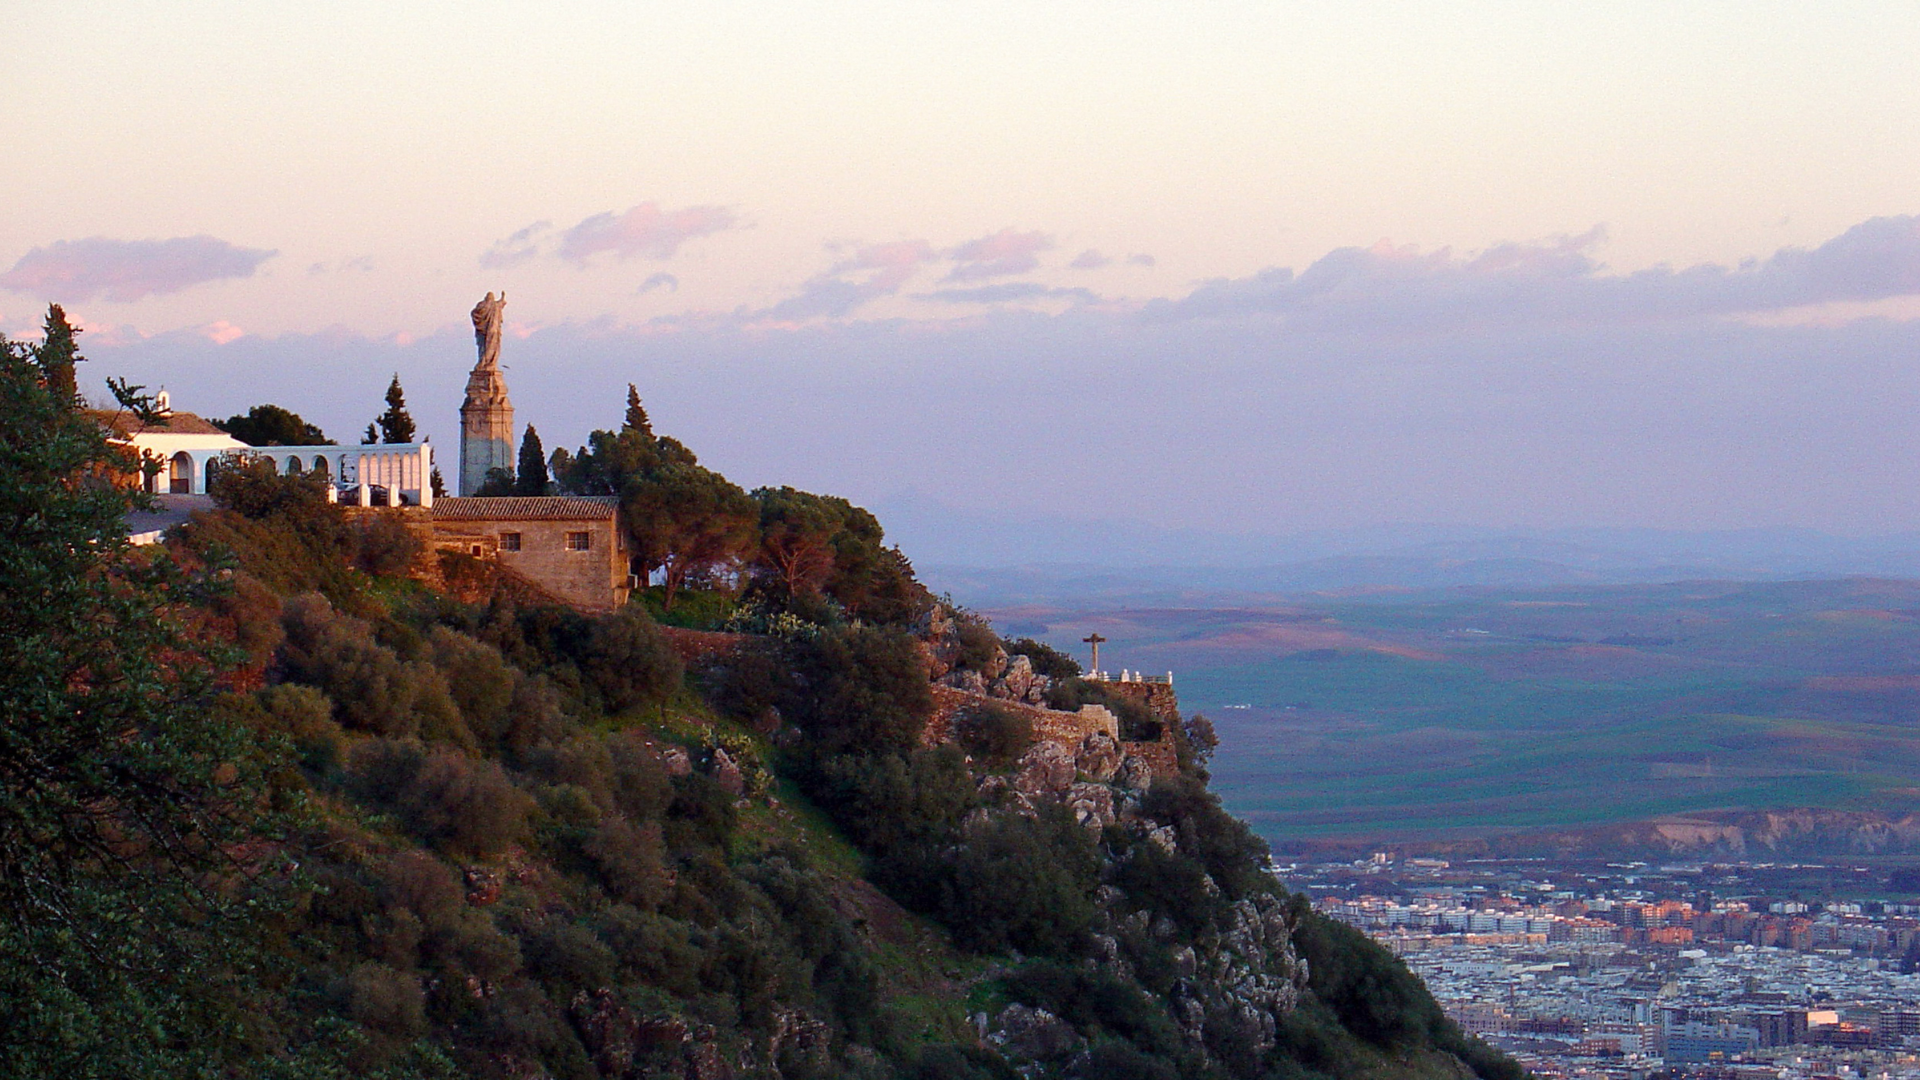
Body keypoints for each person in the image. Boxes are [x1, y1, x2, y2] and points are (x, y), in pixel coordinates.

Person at [471, 291, 506, 367]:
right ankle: (488, 362)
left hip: (485, 332)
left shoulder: (482, 305)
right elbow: (501, 303)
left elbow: (474, 313)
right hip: (493, 331)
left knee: (484, 347)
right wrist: (503, 297)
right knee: (491, 346)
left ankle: (484, 361)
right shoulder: (495, 305)